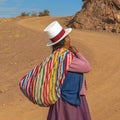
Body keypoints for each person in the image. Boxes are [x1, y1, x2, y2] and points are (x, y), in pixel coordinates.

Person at [44, 21, 91, 120]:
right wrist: (77, 52)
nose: (69, 38)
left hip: (60, 98)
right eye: (67, 36)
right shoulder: (67, 58)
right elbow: (87, 67)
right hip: (70, 100)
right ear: (65, 41)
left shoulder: (55, 56)